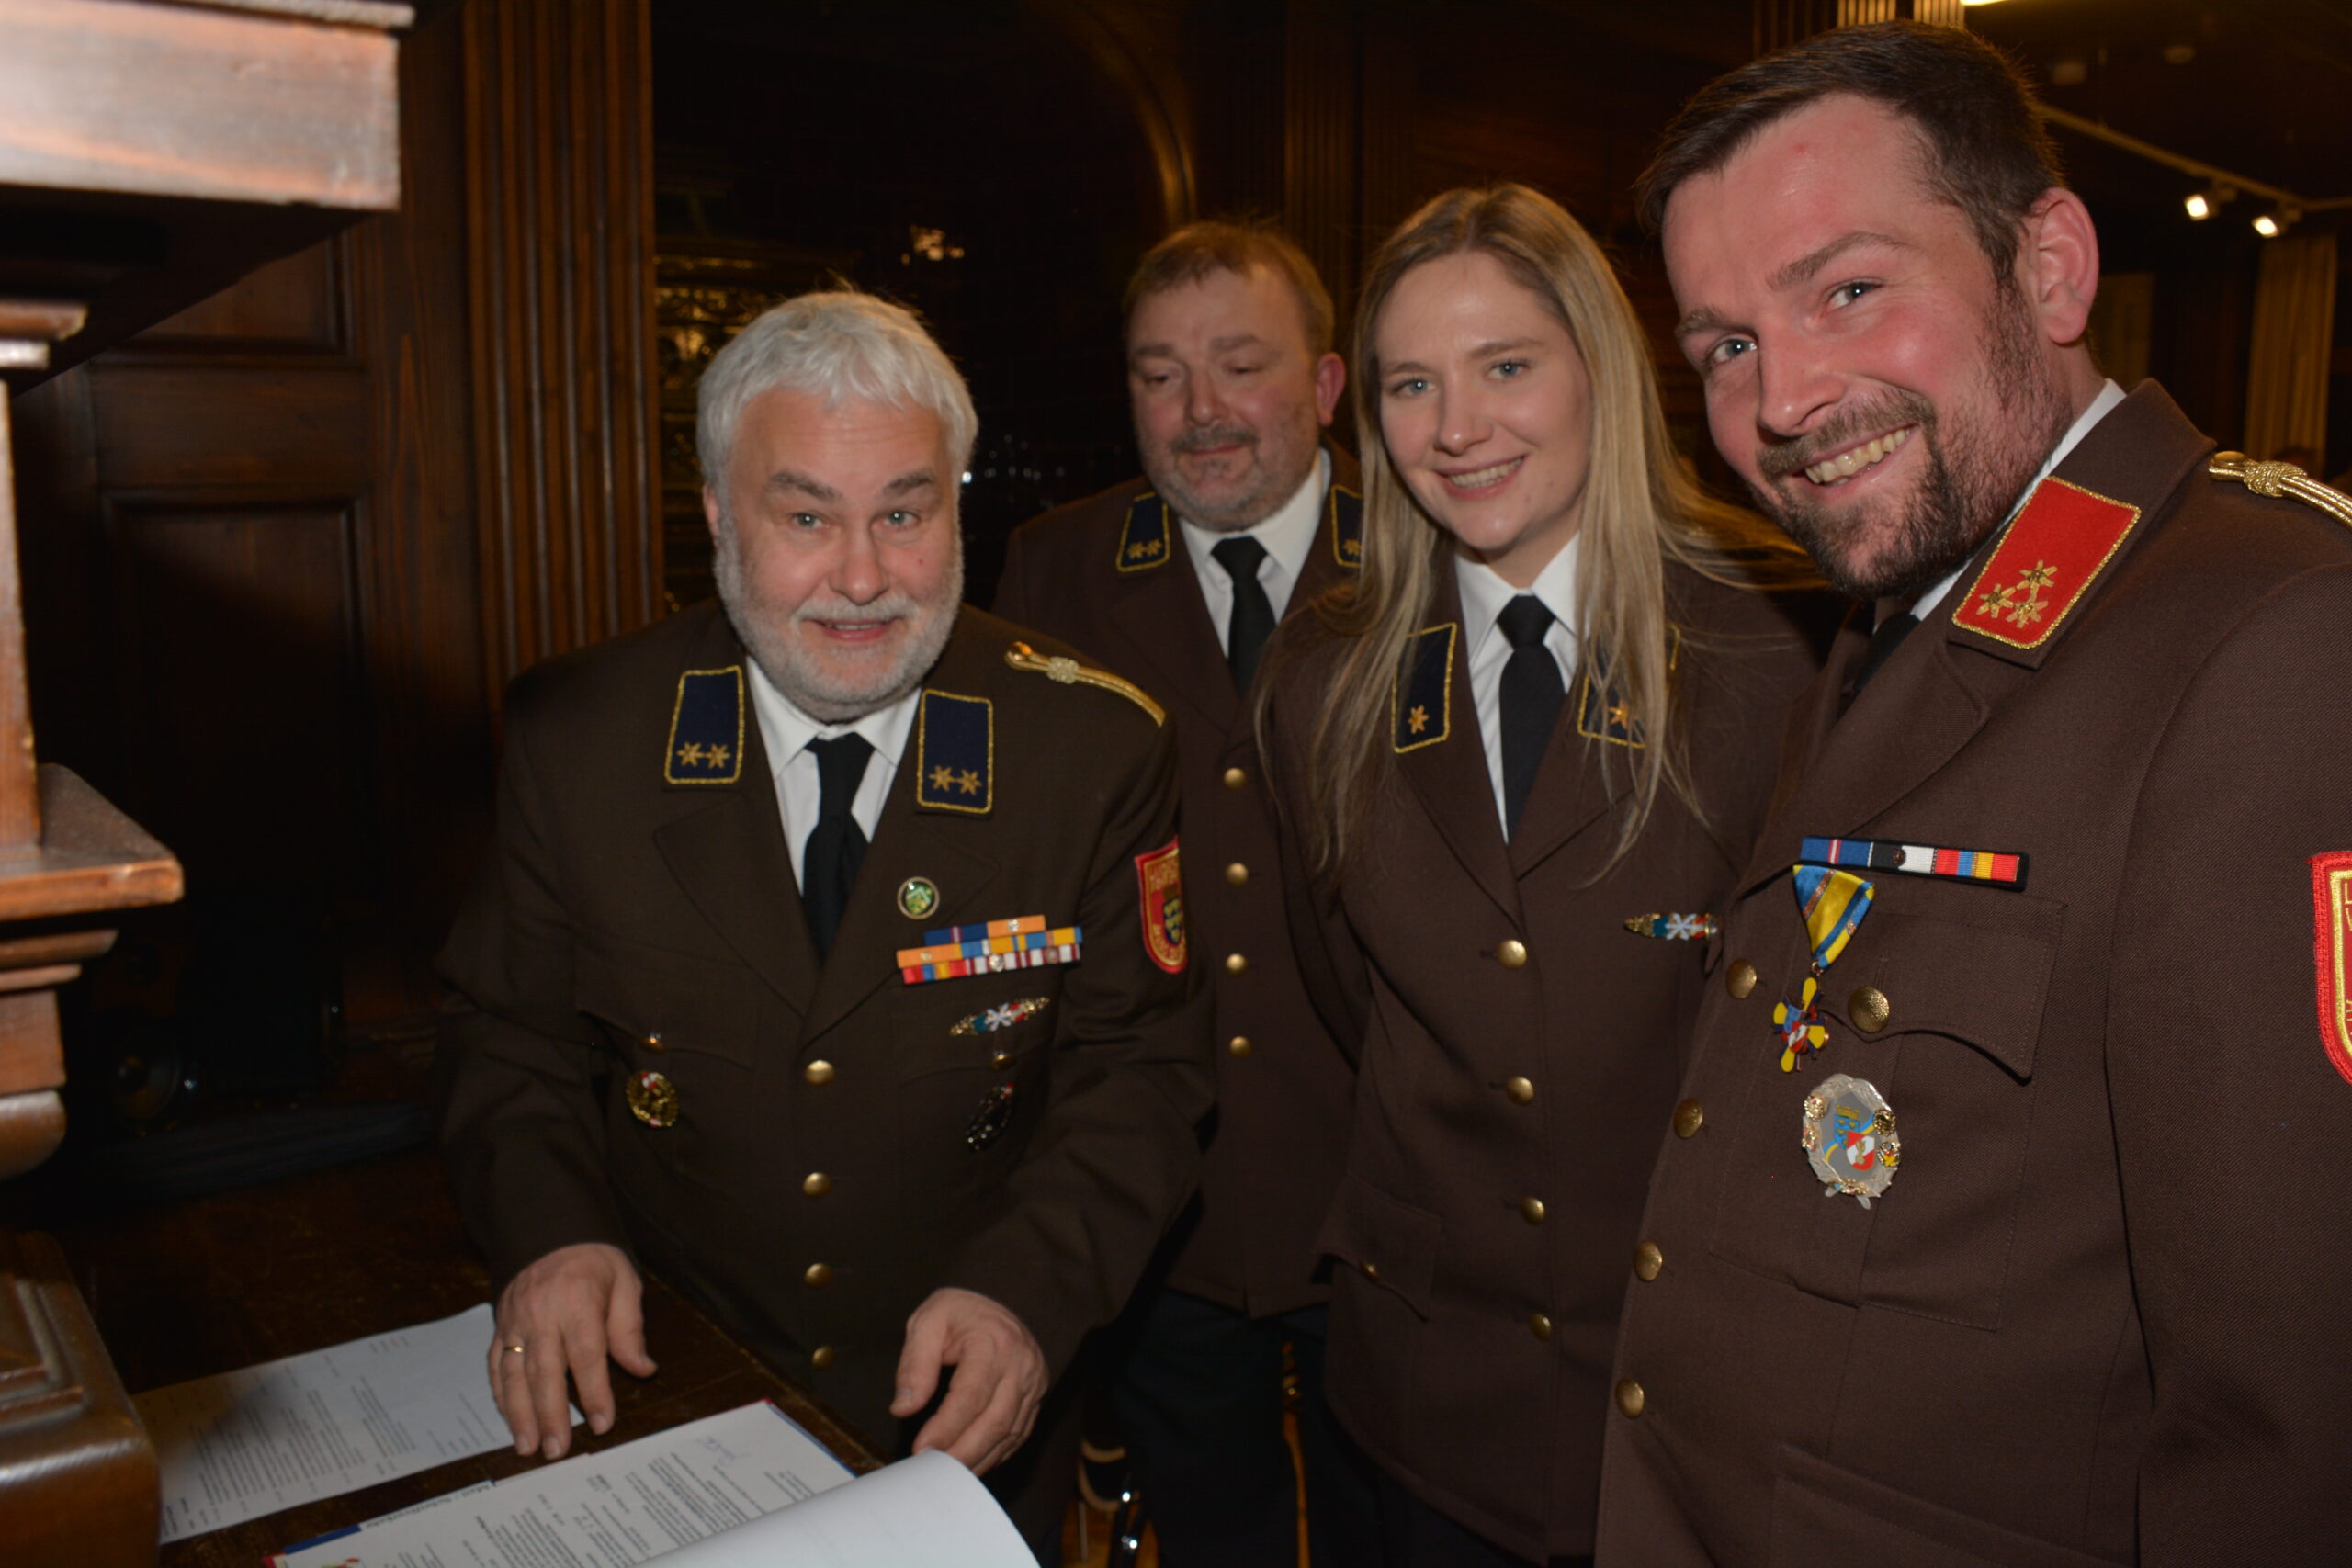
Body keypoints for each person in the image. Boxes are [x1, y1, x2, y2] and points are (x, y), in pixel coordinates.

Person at [1602, 21, 2352, 1565]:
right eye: (1726, 345)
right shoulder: (1913, 600)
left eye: (1847, 291)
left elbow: (2291, 1422)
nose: (1785, 399)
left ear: (2051, 269)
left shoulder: (2273, 634)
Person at [437, 289, 1216, 1562]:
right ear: (716, 516)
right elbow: (509, 1034)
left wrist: (1029, 1296)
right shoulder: (582, 739)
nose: (862, 577)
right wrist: (550, 1233)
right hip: (670, 1388)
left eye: (904, 514)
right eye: (805, 517)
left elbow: (1142, 1071)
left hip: (967, 1414)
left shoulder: (1090, 750)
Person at [1256, 184, 1829, 1567]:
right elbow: (1347, 999)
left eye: (1506, 366)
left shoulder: (1783, 642)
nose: (1457, 429)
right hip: (1422, 1400)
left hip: (1698, 1396)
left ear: (1600, 372)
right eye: (1412, 385)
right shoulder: (1326, 677)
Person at [993, 220, 1379, 1567]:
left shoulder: (1432, 547)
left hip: (1385, 1192)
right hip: (1166, 1205)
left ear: (1325, 383)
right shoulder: (1056, 571)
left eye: (1239, 364)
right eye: (1160, 375)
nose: (1200, 408)